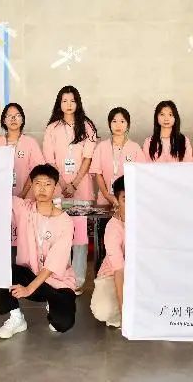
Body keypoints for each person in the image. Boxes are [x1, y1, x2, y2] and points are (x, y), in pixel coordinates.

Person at [0, 164, 77, 339]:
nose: (42, 188)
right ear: (31, 185)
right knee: (4, 271)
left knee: (62, 324)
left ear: (55, 187)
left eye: (47, 184)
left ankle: (51, 303)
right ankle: (16, 318)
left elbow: (53, 264)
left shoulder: (65, 222)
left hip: (57, 283)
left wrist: (28, 289)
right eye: (38, 183)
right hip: (29, 274)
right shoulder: (24, 208)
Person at [42, 86, 98, 294]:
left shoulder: (87, 126)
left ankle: (79, 278)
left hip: (81, 188)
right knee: (60, 234)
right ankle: (60, 277)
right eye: (64, 101)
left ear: (78, 103)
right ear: (59, 103)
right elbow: (50, 159)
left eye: (72, 100)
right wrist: (63, 184)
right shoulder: (52, 128)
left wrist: (74, 183)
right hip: (58, 189)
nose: (68, 105)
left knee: (80, 235)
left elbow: (88, 158)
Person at [0, 103, 45, 258]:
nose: (13, 119)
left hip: (25, 201)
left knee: (23, 242)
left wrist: (22, 195)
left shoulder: (30, 142)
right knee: (2, 242)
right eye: (9, 116)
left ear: (22, 119)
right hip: (1, 202)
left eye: (17, 115)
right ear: (3, 120)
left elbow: (36, 172)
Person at [91, 176, 126, 328]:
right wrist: (125, 313)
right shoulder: (113, 228)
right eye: (125, 199)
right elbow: (119, 271)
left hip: (140, 274)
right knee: (102, 310)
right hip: (114, 274)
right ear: (116, 200)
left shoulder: (148, 220)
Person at [91, 107, 144, 207]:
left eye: (122, 121)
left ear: (128, 125)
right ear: (109, 124)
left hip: (127, 202)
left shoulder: (135, 148)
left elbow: (140, 175)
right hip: (104, 201)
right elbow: (98, 174)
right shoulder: (101, 147)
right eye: (114, 121)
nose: (118, 125)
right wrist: (107, 196)